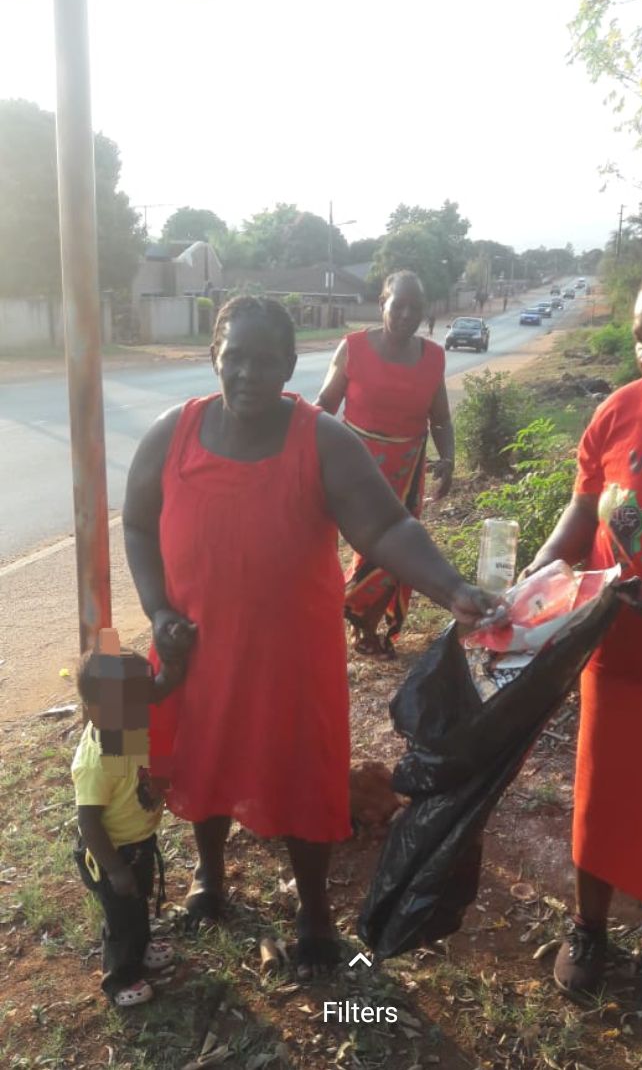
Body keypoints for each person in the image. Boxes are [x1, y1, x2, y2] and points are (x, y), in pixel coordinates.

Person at [122, 295, 502, 980]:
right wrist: (155, 610)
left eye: (264, 360)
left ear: (291, 365)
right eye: (233, 357)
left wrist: (453, 589)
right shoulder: (170, 435)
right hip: (198, 652)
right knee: (205, 758)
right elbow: (139, 525)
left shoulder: (320, 437)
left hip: (292, 658)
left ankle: (316, 915)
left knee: (304, 772)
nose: (246, 373)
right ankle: (211, 879)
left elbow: (385, 529)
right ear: (213, 355)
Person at [523, 253, 642, 1009]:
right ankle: (589, 930)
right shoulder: (620, 411)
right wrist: (539, 576)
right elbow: (583, 510)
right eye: (641, 338)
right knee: (602, 801)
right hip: (616, 659)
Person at [315, 272, 455, 656]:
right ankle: (336, 613)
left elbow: (440, 419)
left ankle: (365, 627)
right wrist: (300, 449)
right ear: (382, 305)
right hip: (353, 466)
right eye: (399, 305)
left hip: (405, 471)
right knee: (360, 548)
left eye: (416, 307)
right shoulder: (353, 348)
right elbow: (325, 406)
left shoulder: (433, 358)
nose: (407, 314)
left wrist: (449, 458)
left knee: (398, 555)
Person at [72, 631, 191, 1006]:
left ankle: (140, 948)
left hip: (137, 841)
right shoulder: (96, 761)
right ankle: (120, 979)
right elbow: (88, 822)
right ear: (96, 709)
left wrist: (172, 665)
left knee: (137, 901)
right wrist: (114, 869)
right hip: (112, 852)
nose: (142, 709)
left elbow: (158, 688)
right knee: (121, 917)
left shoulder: (121, 722)